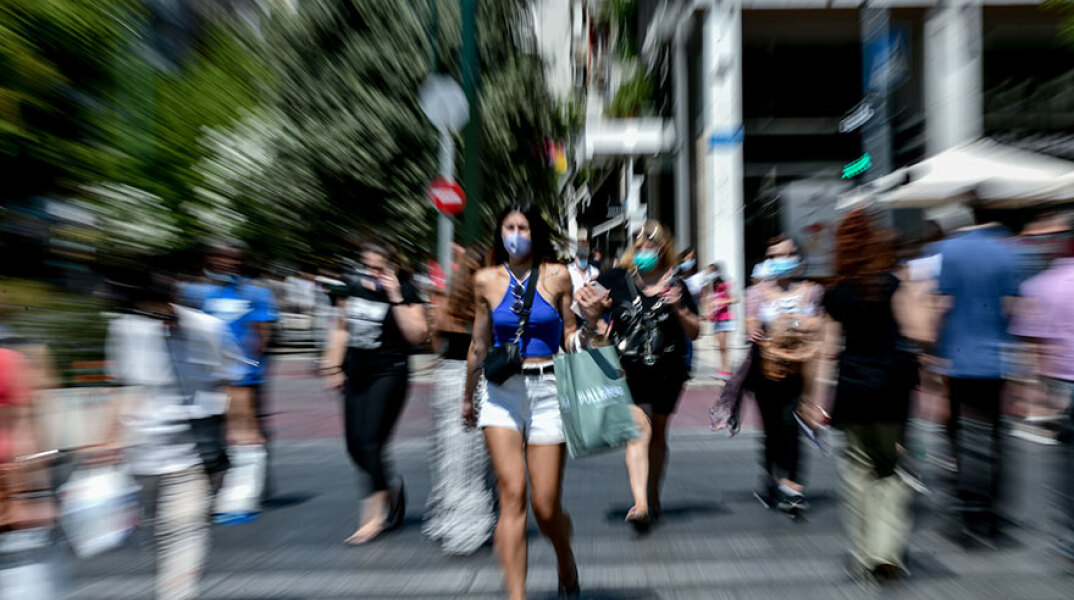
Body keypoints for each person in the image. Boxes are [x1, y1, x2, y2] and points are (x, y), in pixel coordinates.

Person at [106, 271, 251, 600]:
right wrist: (109, 437)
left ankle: (176, 594)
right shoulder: (127, 329)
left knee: (186, 528)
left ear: (173, 301)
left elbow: (234, 377)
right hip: (143, 450)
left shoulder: (208, 329)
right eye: (148, 313)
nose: (156, 322)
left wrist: (241, 429)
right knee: (156, 532)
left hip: (194, 451)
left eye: (161, 313)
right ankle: (170, 587)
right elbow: (121, 387)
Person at [464, 201, 578, 600]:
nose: (515, 235)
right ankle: (517, 595)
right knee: (511, 495)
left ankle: (564, 554)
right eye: (509, 227)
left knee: (545, 507)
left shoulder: (557, 275)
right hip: (501, 395)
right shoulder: (485, 280)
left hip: (548, 390)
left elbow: (569, 332)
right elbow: (479, 344)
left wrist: (588, 329)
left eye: (523, 227)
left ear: (536, 233)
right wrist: (467, 396)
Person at [576, 221, 700, 531]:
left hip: (669, 371)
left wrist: (680, 309)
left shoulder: (676, 284)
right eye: (640, 247)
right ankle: (641, 503)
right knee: (639, 430)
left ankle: (653, 495)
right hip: (628, 370)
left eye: (652, 248)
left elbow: (695, 331)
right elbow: (581, 306)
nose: (645, 253)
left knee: (658, 433)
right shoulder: (616, 279)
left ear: (663, 250)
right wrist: (594, 315)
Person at [817, 209, 917, 583]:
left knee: (857, 474)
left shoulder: (835, 293)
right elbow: (914, 330)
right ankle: (886, 551)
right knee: (889, 471)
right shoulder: (891, 284)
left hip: (852, 392)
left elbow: (828, 350)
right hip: (890, 390)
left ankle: (864, 558)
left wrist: (815, 399)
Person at [321, 239, 428, 545]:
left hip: (389, 372)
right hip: (357, 372)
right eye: (367, 267)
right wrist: (332, 366)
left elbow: (417, 335)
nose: (372, 274)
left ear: (393, 268)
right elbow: (341, 328)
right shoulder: (353, 288)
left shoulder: (407, 292)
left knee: (370, 443)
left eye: (379, 269)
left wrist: (395, 297)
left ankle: (375, 517)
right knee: (354, 446)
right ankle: (391, 490)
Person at [932, 199, 1020, 542]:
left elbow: (942, 305)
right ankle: (991, 509)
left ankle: (967, 502)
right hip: (995, 357)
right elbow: (1011, 306)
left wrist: (937, 350)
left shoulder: (947, 251)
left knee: (958, 430)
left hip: (957, 357)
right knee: (995, 432)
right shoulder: (1005, 251)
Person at [181, 242, 276, 497]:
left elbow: (262, 333)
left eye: (235, 258)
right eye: (222, 256)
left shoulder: (255, 292)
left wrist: (251, 368)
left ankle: (253, 484)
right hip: (207, 375)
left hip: (244, 376)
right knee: (209, 429)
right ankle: (213, 483)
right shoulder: (195, 291)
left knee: (248, 428)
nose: (228, 262)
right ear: (210, 258)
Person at [423, 245, 496, 555]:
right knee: (478, 460)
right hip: (479, 381)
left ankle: (452, 520)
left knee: (451, 455)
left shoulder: (447, 307)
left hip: (449, 380)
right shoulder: (490, 306)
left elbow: (436, 341)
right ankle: (476, 523)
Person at [745, 234, 825, 516]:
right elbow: (751, 326)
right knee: (771, 429)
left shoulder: (812, 292)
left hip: (798, 370)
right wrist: (758, 330)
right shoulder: (756, 293)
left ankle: (793, 485)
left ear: (798, 259)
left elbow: (819, 326)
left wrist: (794, 324)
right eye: (773, 256)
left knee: (792, 425)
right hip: (766, 372)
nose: (780, 261)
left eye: (786, 254)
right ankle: (771, 477)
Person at [1009, 236, 1074, 561]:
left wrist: (1030, 387)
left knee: (1068, 464)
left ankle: (1072, 538)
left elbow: (1034, 341)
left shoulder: (1044, 283)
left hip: (1063, 381)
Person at [708, 263, 736, 379]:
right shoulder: (713, 287)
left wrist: (720, 302)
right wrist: (710, 311)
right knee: (720, 346)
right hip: (717, 319)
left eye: (712, 271)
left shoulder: (724, 285)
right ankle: (723, 368)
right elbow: (712, 302)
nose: (710, 274)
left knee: (724, 346)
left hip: (725, 318)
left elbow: (734, 299)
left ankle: (727, 369)